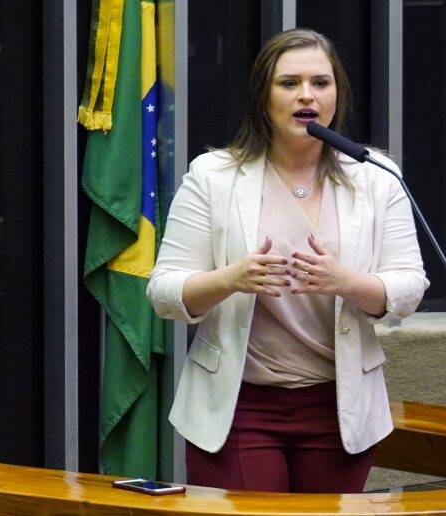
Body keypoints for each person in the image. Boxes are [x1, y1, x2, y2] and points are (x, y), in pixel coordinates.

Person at [147, 28, 429, 494]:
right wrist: (232, 278)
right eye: (289, 83)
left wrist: (345, 281)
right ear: (264, 97)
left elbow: (408, 287)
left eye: (321, 82)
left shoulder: (376, 177)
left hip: (339, 407)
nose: (307, 95)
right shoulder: (213, 176)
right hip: (238, 405)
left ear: (336, 96)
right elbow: (162, 292)